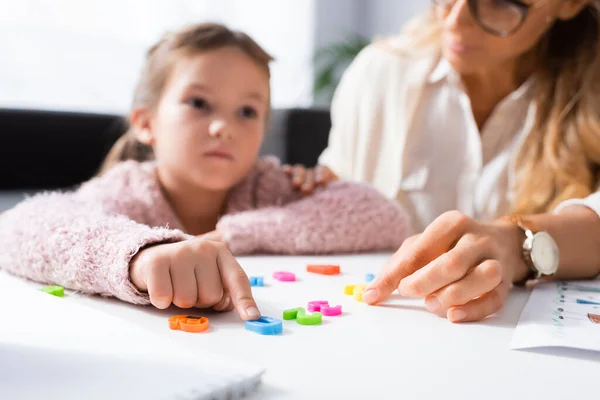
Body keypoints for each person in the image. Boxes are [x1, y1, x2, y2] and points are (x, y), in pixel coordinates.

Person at [0, 23, 410, 320]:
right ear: (145, 123)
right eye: (199, 103)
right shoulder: (129, 190)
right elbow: (18, 228)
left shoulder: (266, 187)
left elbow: (383, 216)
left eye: (247, 111)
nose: (223, 127)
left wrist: (236, 235)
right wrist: (139, 257)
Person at [287, 0, 600, 322]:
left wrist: (516, 246)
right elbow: (335, 199)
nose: (455, 20)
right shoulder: (380, 75)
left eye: (498, 3)